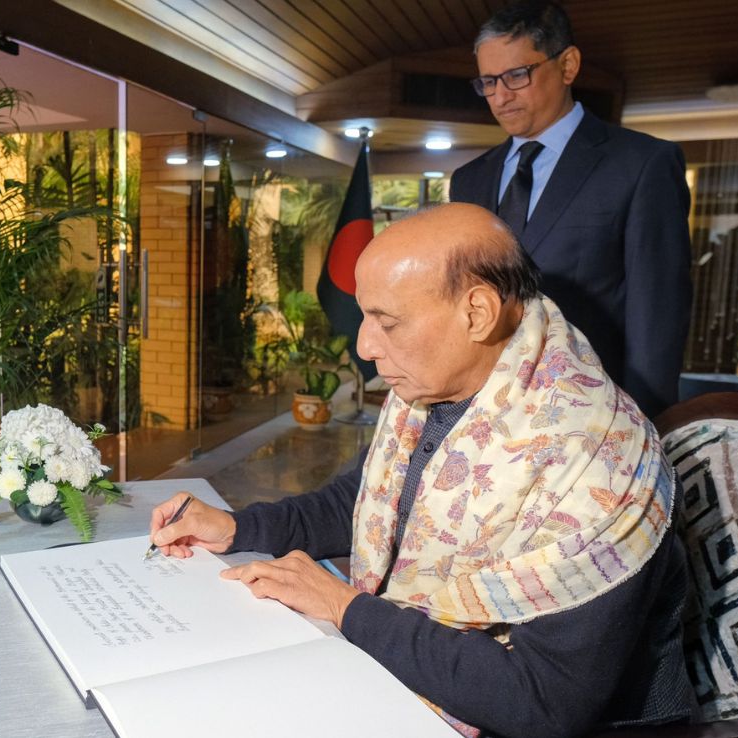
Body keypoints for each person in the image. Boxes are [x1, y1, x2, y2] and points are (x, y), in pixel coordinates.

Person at [149, 204, 695, 738]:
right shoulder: (443, 381)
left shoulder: (600, 463)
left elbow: (543, 703)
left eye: (386, 322)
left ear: (477, 313)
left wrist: (346, 608)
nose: (364, 346)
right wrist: (241, 527)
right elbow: (363, 503)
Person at [450, 0, 691, 419]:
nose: (500, 96)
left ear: (568, 66)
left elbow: (657, 315)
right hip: (480, 412)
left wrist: (646, 424)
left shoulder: (641, 165)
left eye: (516, 75)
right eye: (488, 82)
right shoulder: (468, 179)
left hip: (589, 414)